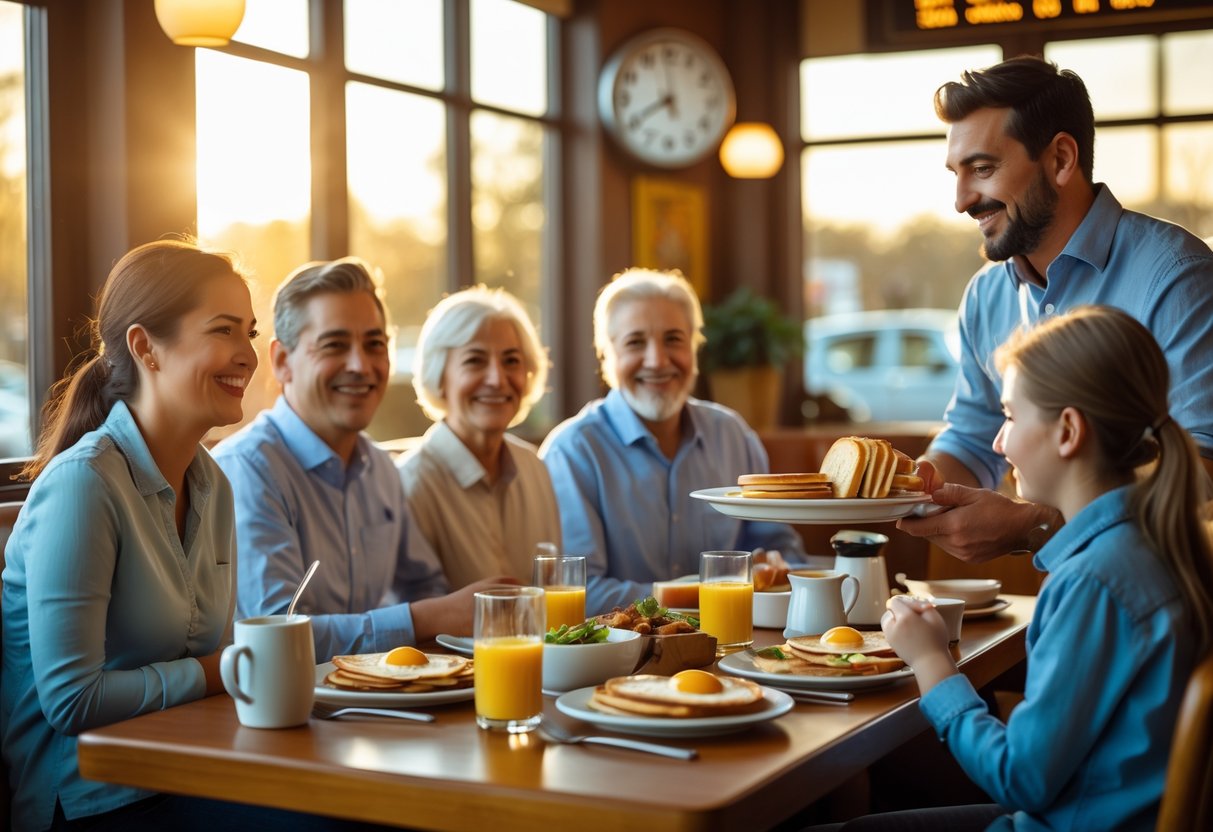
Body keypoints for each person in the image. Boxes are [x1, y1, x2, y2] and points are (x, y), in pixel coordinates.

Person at [0, 240, 365, 832]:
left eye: (249, 332)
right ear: (146, 347)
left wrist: (230, 675)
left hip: (187, 773)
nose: (248, 355)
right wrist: (221, 671)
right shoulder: (84, 484)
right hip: (88, 802)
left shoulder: (213, 484)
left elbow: (212, 670)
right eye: (223, 331)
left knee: (364, 804)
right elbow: (71, 701)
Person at [846, 306, 1213, 832]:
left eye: (1012, 417)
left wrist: (930, 662)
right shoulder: (1154, 544)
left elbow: (1020, 778)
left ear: (1068, 431)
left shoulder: (1095, 582)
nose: (999, 441)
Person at [895, 55, 1213, 564]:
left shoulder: (1177, 277)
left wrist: (1039, 525)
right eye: (956, 173)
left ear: (1062, 159)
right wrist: (915, 491)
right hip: (1066, 602)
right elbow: (972, 437)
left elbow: (1203, 467)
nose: (960, 201)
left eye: (982, 168)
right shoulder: (985, 296)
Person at [212, 258, 510, 664]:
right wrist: (422, 618)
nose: (361, 365)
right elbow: (278, 631)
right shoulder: (245, 470)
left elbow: (425, 588)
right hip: (264, 716)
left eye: (375, 345)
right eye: (335, 345)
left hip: (370, 706)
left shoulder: (380, 468)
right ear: (282, 362)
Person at [539, 268, 811, 614]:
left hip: (733, 646)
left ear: (695, 349)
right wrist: (704, 592)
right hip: (622, 659)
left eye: (673, 339)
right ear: (607, 356)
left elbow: (786, 556)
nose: (657, 360)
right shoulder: (573, 452)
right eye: (635, 342)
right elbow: (577, 591)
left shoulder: (733, 435)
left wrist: (775, 566)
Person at [397, 285, 560, 588]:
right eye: (475, 361)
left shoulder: (535, 468)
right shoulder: (410, 484)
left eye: (511, 361)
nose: (497, 379)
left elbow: (554, 595)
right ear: (439, 376)